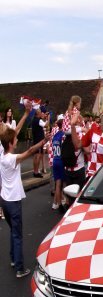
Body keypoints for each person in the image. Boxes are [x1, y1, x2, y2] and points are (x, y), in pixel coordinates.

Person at [0, 127, 46, 277]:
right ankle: (20, 268)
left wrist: (25, 114)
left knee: (13, 231)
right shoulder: (12, 158)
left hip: (4, 200)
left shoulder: (1, 155)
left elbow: (15, 131)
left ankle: (13, 259)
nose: (17, 140)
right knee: (17, 234)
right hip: (13, 201)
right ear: (11, 143)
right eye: (15, 140)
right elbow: (31, 150)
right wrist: (44, 141)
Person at [62, 95, 88, 190]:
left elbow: (65, 130)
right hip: (79, 166)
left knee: (69, 190)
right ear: (77, 103)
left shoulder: (67, 113)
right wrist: (81, 128)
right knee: (79, 191)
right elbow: (67, 129)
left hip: (68, 166)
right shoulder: (76, 113)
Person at [50, 118, 66, 211]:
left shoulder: (55, 135)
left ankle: (57, 203)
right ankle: (61, 202)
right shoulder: (63, 135)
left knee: (57, 183)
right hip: (61, 160)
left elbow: (53, 148)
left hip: (55, 159)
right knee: (63, 183)